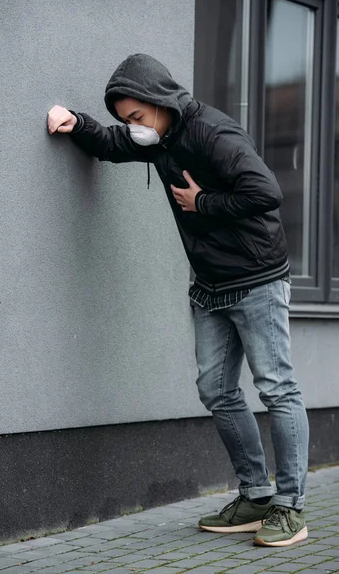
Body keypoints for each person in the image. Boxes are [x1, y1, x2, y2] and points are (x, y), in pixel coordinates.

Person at [47, 53, 309, 547]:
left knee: (277, 389)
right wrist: (75, 122)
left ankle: (290, 506)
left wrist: (203, 202)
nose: (133, 128)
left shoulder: (213, 133)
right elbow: (111, 143)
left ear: (159, 102)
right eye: (127, 120)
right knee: (216, 390)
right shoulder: (161, 140)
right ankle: (255, 495)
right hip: (210, 284)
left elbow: (266, 191)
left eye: (137, 117)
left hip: (257, 278)